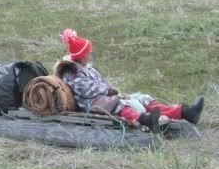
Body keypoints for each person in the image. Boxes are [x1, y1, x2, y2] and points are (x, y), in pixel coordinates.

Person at [55, 28, 204, 132]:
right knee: (120, 104)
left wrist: (115, 91)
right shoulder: (72, 73)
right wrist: (112, 92)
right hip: (91, 104)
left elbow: (103, 84)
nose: (90, 55)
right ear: (81, 56)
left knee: (142, 98)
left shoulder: (87, 68)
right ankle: (145, 120)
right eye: (88, 53)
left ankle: (184, 112)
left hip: (103, 99)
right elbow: (88, 90)